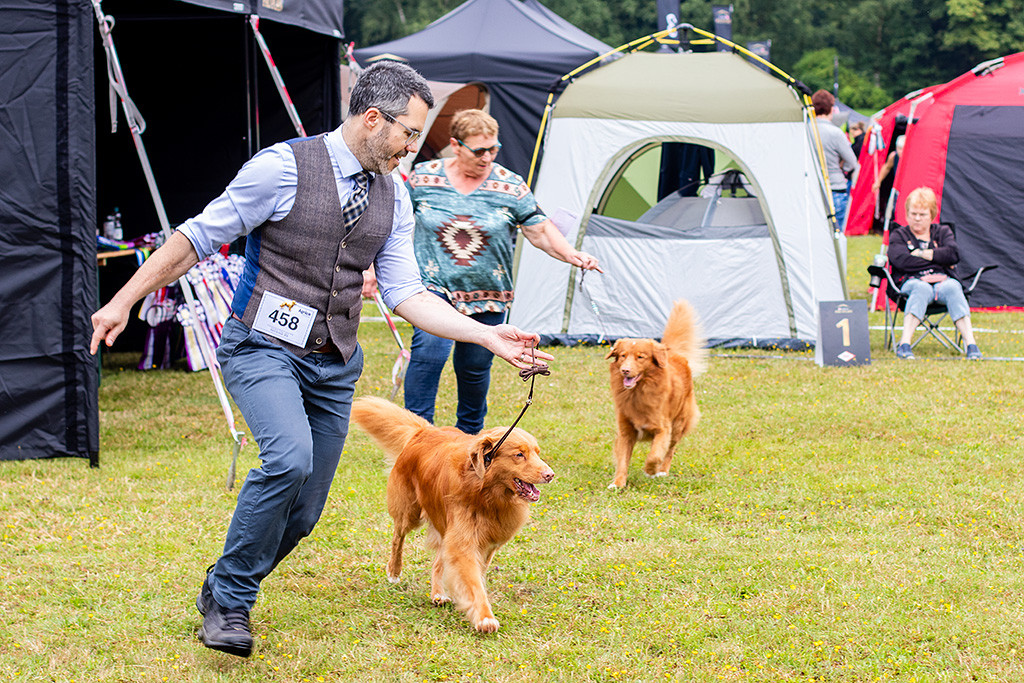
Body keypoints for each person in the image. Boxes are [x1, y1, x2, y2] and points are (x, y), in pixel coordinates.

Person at [89, 62, 554, 658]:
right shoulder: (281, 168)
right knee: (288, 459)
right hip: (261, 346)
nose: (414, 148)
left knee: (305, 512)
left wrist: (486, 337)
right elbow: (196, 237)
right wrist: (122, 301)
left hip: (332, 361)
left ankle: (224, 579)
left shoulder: (395, 197)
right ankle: (231, 602)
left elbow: (407, 293)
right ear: (371, 118)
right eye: (408, 134)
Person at [400, 109, 601, 434]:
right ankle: (415, 438)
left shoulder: (509, 185)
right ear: (456, 145)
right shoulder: (423, 178)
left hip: (489, 294)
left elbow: (540, 230)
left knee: (474, 368)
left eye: (493, 149)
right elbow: (392, 220)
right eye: (479, 150)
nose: (487, 157)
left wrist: (572, 254)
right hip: (434, 290)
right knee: (430, 355)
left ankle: (469, 436)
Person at [886, 186, 981, 360]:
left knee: (954, 287)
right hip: (910, 283)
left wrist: (921, 253)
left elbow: (953, 254)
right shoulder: (899, 235)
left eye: (922, 215)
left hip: (943, 283)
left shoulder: (943, 232)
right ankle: (904, 344)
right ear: (907, 214)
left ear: (932, 215)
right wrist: (937, 257)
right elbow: (901, 261)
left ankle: (971, 345)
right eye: (913, 213)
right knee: (921, 288)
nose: (917, 219)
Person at [812, 90, 860, 229]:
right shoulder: (836, 133)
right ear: (831, 109)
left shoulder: (805, 130)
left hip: (813, 186)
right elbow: (852, 162)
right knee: (836, 234)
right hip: (835, 186)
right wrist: (841, 169)